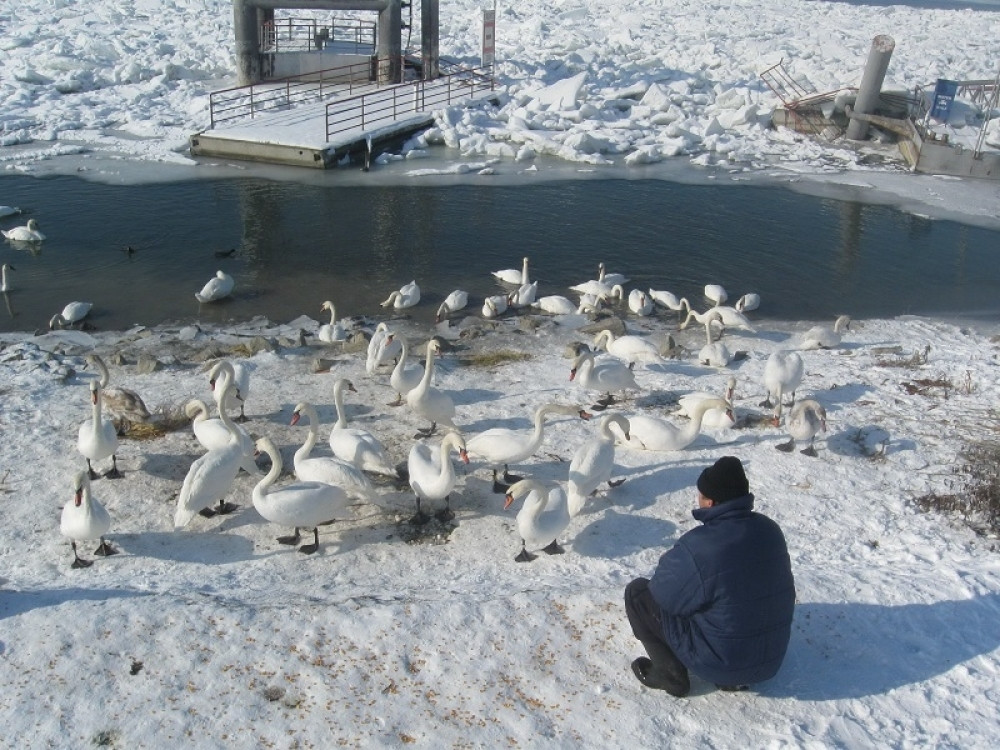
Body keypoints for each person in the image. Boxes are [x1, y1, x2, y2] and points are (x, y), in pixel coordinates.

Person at [624, 455, 795, 696]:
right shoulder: (770, 529)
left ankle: (669, 674)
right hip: (770, 662)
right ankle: (732, 675)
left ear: (711, 503)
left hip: (721, 663)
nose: (698, 499)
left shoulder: (701, 546)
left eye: (701, 495)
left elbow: (663, 594)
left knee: (637, 593)